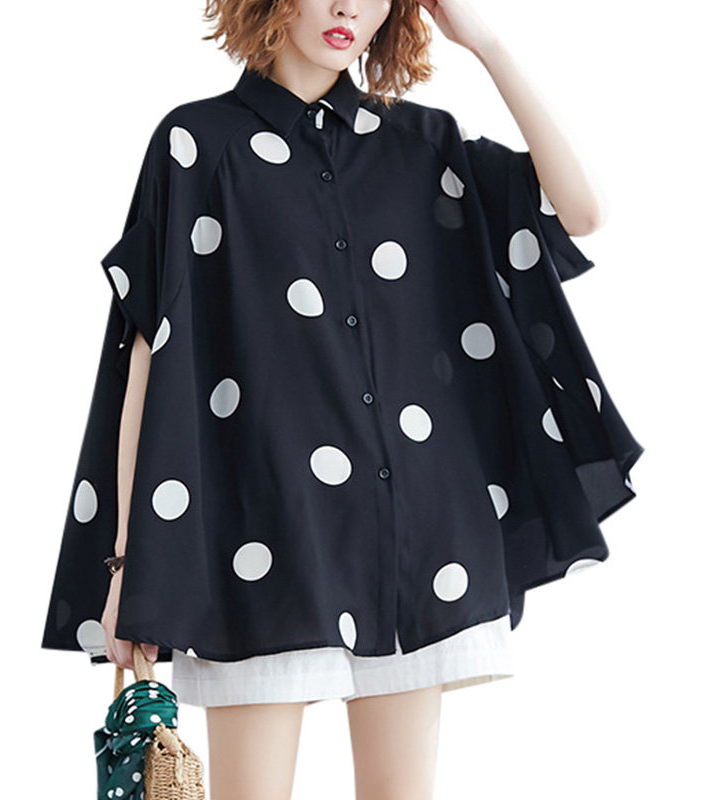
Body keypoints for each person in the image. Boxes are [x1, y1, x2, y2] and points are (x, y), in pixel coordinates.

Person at [42, 1, 644, 798]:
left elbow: (583, 213)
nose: (346, 7)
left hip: (415, 546)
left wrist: (487, 42)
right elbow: (150, 358)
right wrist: (127, 561)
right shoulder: (197, 145)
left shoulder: (424, 145)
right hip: (261, 537)